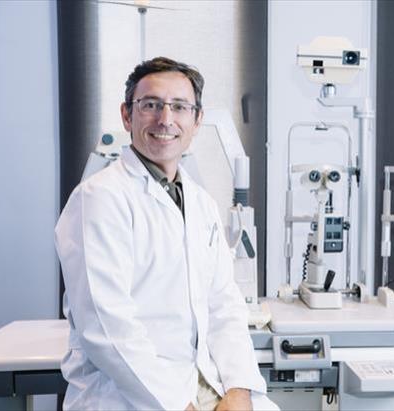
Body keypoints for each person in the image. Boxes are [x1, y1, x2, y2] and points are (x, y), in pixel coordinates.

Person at [55, 57, 277, 411]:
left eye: (179, 107)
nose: (165, 119)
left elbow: (223, 304)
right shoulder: (99, 198)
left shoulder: (200, 202)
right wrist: (177, 405)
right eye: (151, 105)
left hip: (204, 384)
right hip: (131, 396)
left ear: (197, 119)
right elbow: (107, 327)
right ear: (127, 115)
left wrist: (239, 388)